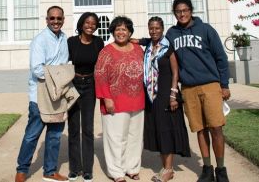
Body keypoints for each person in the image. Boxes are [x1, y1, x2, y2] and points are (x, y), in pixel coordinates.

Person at [165, 0, 231, 182]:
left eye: (185, 10)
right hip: (188, 88)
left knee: (216, 128)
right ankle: (207, 169)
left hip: (210, 85)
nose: (182, 14)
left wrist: (224, 85)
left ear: (191, 11)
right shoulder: (172, 34)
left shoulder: (206, 29)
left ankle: (221, 169)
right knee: (200, 130)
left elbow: (221, 58)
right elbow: (160, 45)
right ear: (175, 13)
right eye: (178, 11)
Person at [15, 6, 69, 182]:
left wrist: (61, 75)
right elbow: (38, 70)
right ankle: (22, 170)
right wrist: (60, 75)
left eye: (58, 18)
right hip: (40, 94)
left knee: (54, 135)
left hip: (58, 94)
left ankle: (50, 170)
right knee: (32, 135)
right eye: (52, 18)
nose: (55, 21)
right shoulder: (40, 40)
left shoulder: (64, 38)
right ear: (46, 20)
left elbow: (66, 65)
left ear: (63, 20)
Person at [94, 16, 145, 182]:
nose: (121, 32)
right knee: (116, 138)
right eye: (118, 29)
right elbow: (100, 75)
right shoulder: (106, 51)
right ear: (113, 32)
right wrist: (106, 98)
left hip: (137, 99)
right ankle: (117, 172)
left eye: (124, 29)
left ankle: (132, 168)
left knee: (135, 137)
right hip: (114, 101)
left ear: (130, 32)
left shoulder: (138, 49)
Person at [142, 17, 191, 182]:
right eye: (151, 28)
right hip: (152, 96)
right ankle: (165, 168)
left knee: (166, 131)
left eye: (157, 28)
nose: (154, 31)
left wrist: (173, 95)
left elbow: (175, 73)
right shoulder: (149, 46)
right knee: (158, 130)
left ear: (162, 29)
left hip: (166, 94)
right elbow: (138, 40)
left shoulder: (168, 47)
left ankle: (168, 170)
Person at [67, 12, 104, 182]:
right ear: (81, 24)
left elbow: (103, 65)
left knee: (87, 129)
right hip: (73, 85)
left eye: (93, 23)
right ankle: (75, 168)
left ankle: (87, 169)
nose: (90, 25)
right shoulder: (71, 42)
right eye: (87, 22)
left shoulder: (98, 42)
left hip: (90, 86)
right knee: (74, 128)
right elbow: (61, 59)